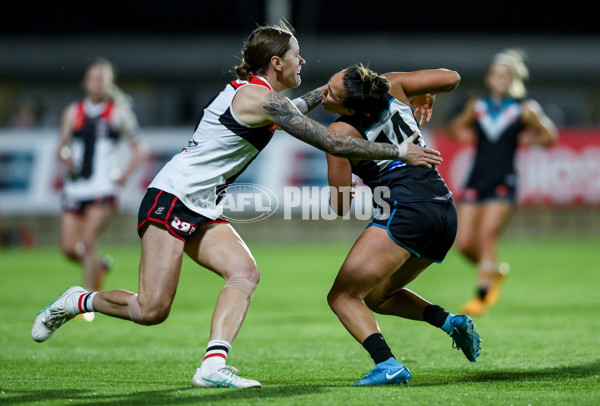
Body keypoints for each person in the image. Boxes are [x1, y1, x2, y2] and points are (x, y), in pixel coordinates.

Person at [32, 22, 442, 389]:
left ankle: (213, 366)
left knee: (244, 272)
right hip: (171, 198)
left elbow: (289, 112)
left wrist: (323, 92)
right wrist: (398, 151)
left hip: (202, 204)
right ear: (278, 63)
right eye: (297, 55)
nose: (304, 60)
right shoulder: (257, 99)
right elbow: (330, 141)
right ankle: (77, 300)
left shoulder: (262, 98)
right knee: (151, 308)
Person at [322, 64, 481, 386]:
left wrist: (344, 189)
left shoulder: (339, 133)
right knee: (379, 296)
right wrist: (425, 92)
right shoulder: (393, 85)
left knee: (343, 297)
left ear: (351, 108)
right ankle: (451, 322)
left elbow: (339, 208)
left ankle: (388, 365)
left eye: (330, 92)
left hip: (407, 209)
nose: (322, 92)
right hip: (443, 210)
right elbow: (453, 77)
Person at [448, 49, 557, 316]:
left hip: (504, 179)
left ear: (513, 79)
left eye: (505, 74)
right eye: (496, 73)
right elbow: (455, 129)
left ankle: (481, 296)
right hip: (477, 177)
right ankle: (494, 271)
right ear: (489, 78)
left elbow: (549, 135)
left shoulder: (523, 109)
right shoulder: (478, 106)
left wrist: (531, 139)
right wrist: (468, 133)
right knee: (463, 244)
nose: (500, 78)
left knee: (486, 236)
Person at [57, 58, 146, 321]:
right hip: (76, 186)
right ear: (85, 82)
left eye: (102, 79)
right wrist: (65, 156)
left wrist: (123, 177)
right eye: (93, 78)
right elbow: (62, 146)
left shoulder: (118, 112)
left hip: (104, 188)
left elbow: (139, 149)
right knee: (69, 248)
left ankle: (86, 301)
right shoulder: (73, 112)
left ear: (109, 83)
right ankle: (98, 267)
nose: (97, 83)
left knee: (88, 240)